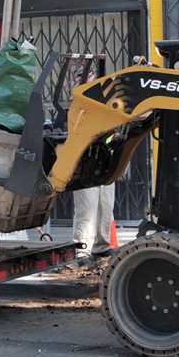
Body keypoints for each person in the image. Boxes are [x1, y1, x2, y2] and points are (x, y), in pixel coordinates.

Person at [70, 60, 116, 262]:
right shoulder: (79, 103)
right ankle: (82, 249)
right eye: (80, 76)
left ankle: (101, 245)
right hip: (85, 159)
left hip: (104, 158)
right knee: (87, 208)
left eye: (87, 76)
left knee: (106, 205)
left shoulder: (104, 100)